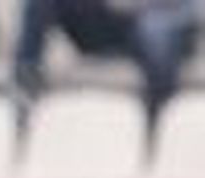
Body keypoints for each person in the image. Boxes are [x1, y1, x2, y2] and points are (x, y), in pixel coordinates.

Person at [12, 0, 198, 121]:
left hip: (157, 24)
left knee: (155, 31)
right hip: (110, 22)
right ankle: (26, 79)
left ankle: (157, 122)